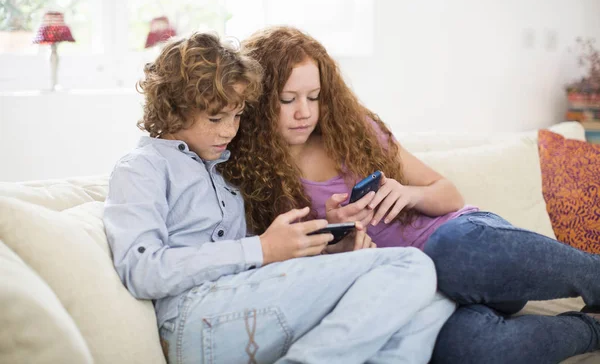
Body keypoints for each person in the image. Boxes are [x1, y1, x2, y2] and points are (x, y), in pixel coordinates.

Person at [220, 25, 600, 364]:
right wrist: (334, 241)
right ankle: (592, 327)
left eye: (314, 96)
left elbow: (448, 194)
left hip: (474, 256)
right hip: (423, 294)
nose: (304, 112)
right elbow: (288, 276)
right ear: (259, 98)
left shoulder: (353, 133)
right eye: (288, 100)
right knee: (469, 350)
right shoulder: (250, 179)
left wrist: (407, 193)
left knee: (451, 249)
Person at [103, 31, 456, 364]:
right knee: (410, 265)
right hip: (195, 319)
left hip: (244, 303)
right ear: (172, 109)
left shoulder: (221, 166)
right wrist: (262, 249)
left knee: (433, 301)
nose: (229, 130)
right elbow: (141, 269)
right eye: (215, 117)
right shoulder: (142, 168)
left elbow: (260, 266)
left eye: (237, 116)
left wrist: (328, 249)